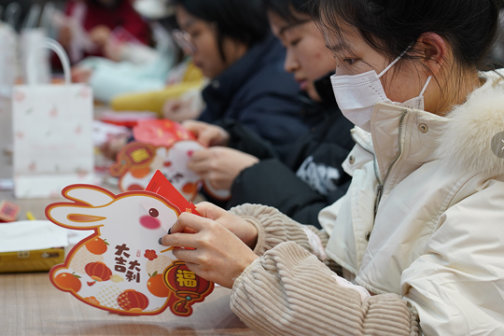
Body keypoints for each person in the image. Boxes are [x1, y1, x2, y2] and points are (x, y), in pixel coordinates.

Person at [160, 0, 504, 334]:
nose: (338, 77)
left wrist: (251, 272)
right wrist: (255, 239)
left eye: (351, 59)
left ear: (429, 52)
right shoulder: (397, 138)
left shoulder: (492, 173)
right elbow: (347, 258)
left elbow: (421, 328)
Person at [182, 0, 354, 226]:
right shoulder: (328, 110)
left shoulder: (365, 126)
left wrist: (248, 174)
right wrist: (234, 143)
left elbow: (330, 234)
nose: (289, 65)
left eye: (295, 41)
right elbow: (296, 176)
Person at [171, 0, 308, 159]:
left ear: (230, 23)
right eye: (183, 37)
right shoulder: (241, 78)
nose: (188, 50)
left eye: (195, 33)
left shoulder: (270, 97)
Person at [57, 0, 152, 64]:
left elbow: (144, 58)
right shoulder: (79, 6)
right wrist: (64, 45)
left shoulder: (135, 7)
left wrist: (111, 41)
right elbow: (58, 65)